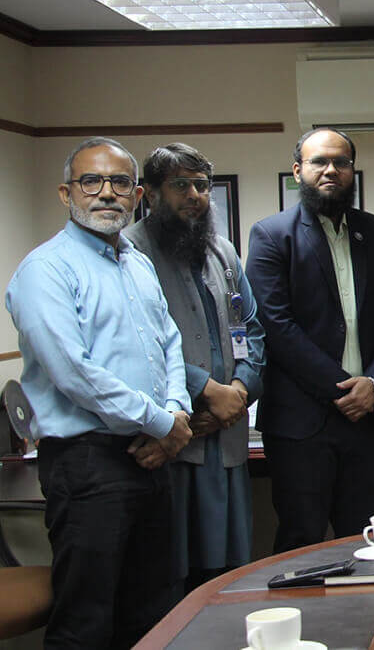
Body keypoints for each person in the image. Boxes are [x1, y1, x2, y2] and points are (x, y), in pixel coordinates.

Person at [5, 137, 192, 647]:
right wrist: (164, 423)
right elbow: (73, 372)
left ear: (138, 195)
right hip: (88, 464)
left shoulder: (137, 262)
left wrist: (176, 411)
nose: (107, 193)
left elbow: (169, 342)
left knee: (152, 612)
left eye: (120, 182)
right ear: (66, 193)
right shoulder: (45, 269)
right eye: (91, 181)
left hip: (152, 458)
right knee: (85, 623)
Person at [246, 127, 374, 553]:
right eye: (319, 161)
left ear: (353, 170)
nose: (331, 170)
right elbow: (276, 325)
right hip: (301, 422)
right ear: (297, 170)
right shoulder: (271, 235)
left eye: (341, 162)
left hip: (368, 418)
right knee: (302, 539)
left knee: (368, 539)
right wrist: (342, 388)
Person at [124, 143, 265, 593]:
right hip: (172, 440)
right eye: (180, 185)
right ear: (150, 193)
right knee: (172, 575)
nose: (193, 195)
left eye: (201, 185)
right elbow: (136, 341)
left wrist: (239, 391)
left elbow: (252, 328)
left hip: (225, 436)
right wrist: (207, 390)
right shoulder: (129, 252)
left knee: (228, 574)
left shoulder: (221, 251)